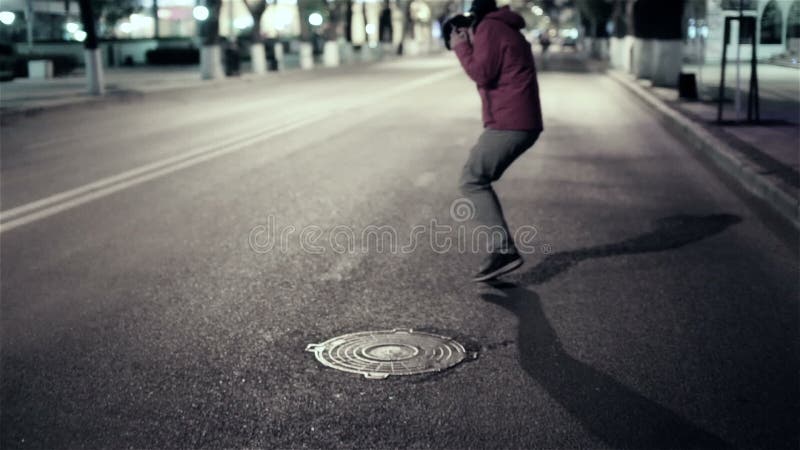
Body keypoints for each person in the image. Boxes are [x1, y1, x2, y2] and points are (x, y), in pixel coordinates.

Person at [450, 0, 543, 282]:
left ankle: (503, 250)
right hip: (517, 120)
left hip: (511, 121)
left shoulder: (491, 27)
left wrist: (461, 47)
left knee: (472, 179)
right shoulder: (504, 27)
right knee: (476, 177)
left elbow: (482, 73)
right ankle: (502, 249)